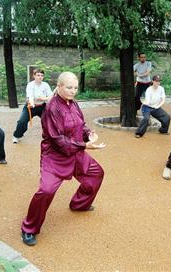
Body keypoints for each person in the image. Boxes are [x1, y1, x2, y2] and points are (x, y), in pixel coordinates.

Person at [21, 72, 105, 246]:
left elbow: (81, 125)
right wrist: (85, 146)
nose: (73, 91)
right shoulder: (51, 108)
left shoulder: (73, 104)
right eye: (69, 87)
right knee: (46, 191)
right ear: (58, 86)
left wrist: (89, 134)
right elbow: (58, 140)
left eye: (75, 87)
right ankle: (28, 228)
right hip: (55, 157)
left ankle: (79, 204)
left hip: (76, 152)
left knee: (96, 173)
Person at [12, 68, 53, 143]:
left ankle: (50, 136)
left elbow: (50, 97)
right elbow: (30, 97)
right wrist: (34, 101)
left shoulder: (45, 85)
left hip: (42, 107)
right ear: (34, 76)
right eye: (38, 75)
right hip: (30, 107)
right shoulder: (30, 85)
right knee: (22, 121)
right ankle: (17, 135)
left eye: (41, 75)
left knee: (50, 120)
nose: (40, 77)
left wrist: (42, 99)